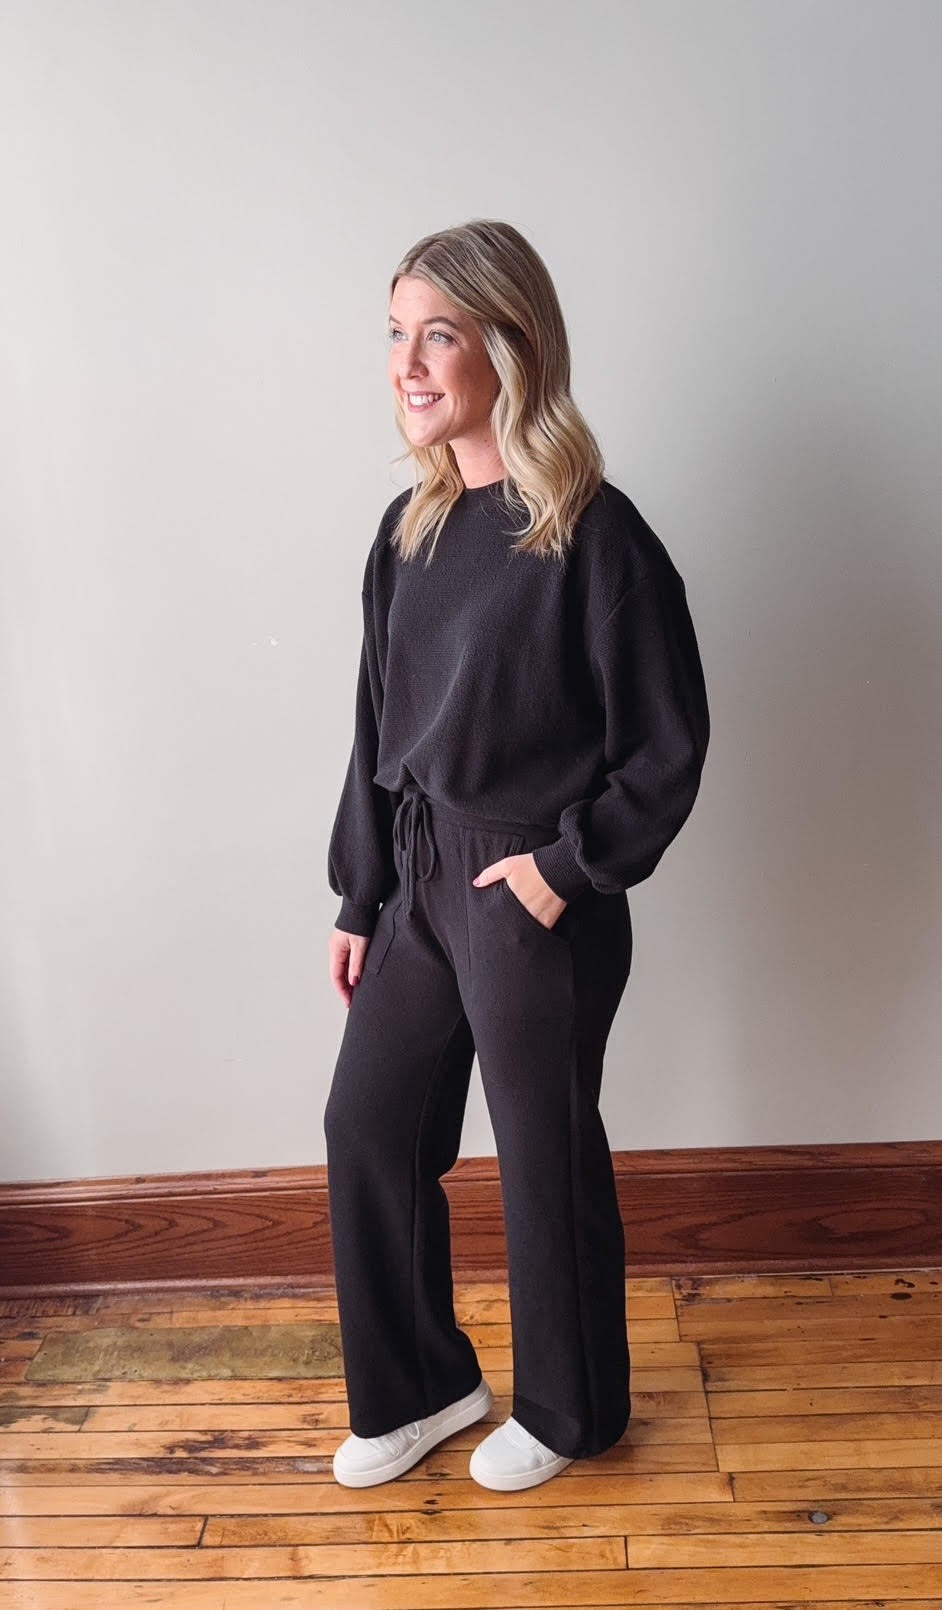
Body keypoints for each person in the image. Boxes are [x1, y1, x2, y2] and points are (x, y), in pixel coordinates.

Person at [323, 218, 710, 1492]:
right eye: (396, 332)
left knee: (542, 1144)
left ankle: (573, 1404)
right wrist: (360, 894)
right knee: (368, 1124)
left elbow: (665, 742)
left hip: (530, 887)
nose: (408, 363)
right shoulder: (407, 532)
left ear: (511, 344)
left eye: (439, 332)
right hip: (421, 877)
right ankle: (423, 1384)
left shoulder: (592, 535)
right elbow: (378, 729)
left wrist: (565, 866)